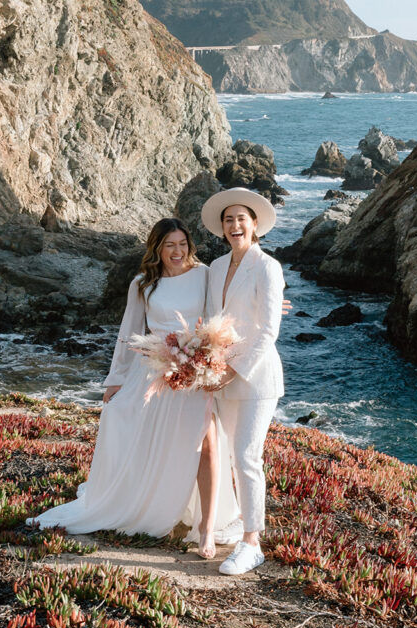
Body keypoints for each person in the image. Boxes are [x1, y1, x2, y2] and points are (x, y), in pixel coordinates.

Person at [30, 218, 239, 556]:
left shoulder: (204, 275)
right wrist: (115, 379)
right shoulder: (143, 284)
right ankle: (161, 509)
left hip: (195, 372)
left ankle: (206, 528)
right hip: (154, 372)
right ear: (156, 247)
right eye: (169, 244)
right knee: (157, 443)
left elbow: (225, 310)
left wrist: (266, 311)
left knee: (208, 445)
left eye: (182, 243)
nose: (177, 251)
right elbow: (128, 333)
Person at [201, 187, 285, 575]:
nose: (235, 225)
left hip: (255, 378)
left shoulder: (268, 267)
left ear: (254, 226)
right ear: (222, 228)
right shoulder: (216, 267)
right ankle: (240, 519)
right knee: (232, 455)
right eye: (228, 219)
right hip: (221, 376)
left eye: (241, 219)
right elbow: (209, 319)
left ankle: (253, 543)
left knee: (248, 457)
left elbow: (268, 331)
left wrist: (231, 369)